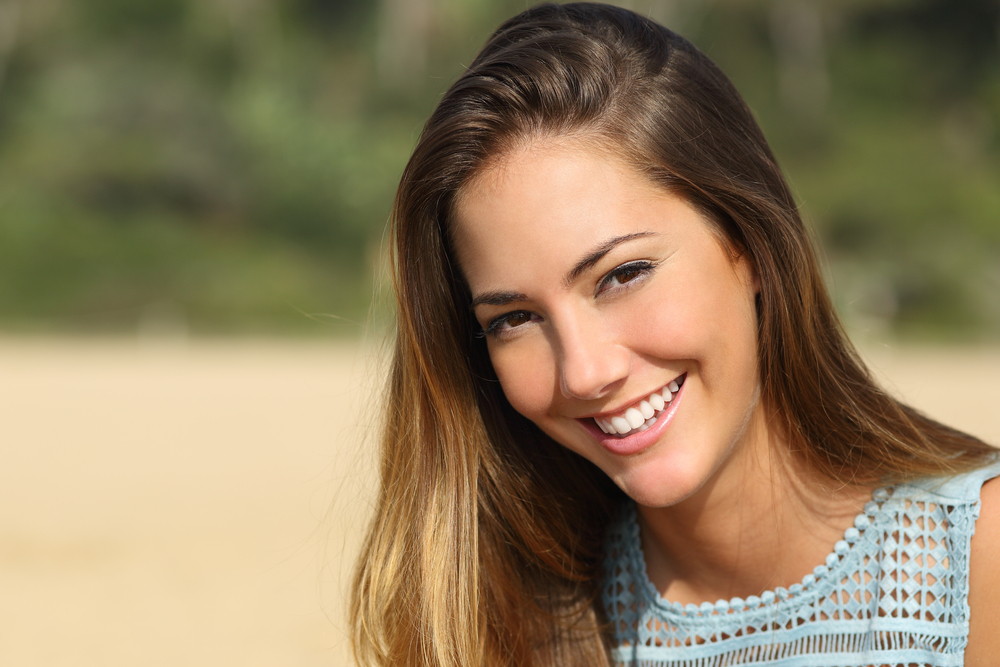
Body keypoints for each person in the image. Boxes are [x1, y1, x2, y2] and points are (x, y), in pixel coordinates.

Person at [350, 3, 1000, 666]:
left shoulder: (977, 566)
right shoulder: (505, 621)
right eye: (513, 318)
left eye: (622, 274)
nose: (584, 371)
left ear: (747, 242)